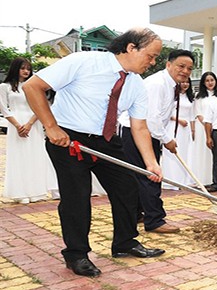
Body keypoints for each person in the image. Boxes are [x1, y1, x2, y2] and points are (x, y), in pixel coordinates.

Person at [23, 28, 166, 277]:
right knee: (77, 196)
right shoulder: (83, 62)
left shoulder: (136, 84)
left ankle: (125, 242)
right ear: (131, 48)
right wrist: (52, 126)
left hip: (107, 140)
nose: (152, 62)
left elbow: (139, 126)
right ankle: (76, 254)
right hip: (69, 140)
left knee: (128, 188)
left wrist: (151, 163)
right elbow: (32, 86)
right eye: (151, 56)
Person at [119, 49, 195, 234]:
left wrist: (163, 138)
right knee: (151, 175)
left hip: (146, 132)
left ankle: (138, 214)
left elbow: (159, 117)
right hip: (136, 131)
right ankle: (155, 220)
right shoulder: (157, 84)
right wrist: (167, 139)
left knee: (139, 175)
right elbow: (151, 119)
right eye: (181, 66)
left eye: (189, 68)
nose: (185, 71)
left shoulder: (170, 85)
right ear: (168, 64)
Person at [0, 57, 52, 203]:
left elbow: (41, 106)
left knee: (36, 156)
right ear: (15, 69)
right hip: (16, 123)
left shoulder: (33, 86)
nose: (26, 71)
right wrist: (18, 126)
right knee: (19, 157)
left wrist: (29, 124)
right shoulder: (5, 87)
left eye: (28, 69)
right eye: (23, 68)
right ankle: (20, 192)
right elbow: (4, 109)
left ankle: (37, 191)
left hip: (33, 124)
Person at [162, 77, 195, 190]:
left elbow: (192, 115)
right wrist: (178, 120)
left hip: (186, 130)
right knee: (172, 153)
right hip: (173, 126)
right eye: (183, 82)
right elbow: (166, 113)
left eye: (187, 82)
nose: (185, 84)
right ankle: (171, 179)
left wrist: (193, 129)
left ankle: (183, 180)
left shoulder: (190, 98)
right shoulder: (173, 96)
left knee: (185, 153)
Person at [191, 72, 217, 186]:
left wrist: (213, 126)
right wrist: (207, 124)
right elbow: (198, 113)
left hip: (216, 128)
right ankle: (200, 179)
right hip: (202, 128)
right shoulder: (198, 96)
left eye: (212, 80)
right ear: (203, 83)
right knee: (201, 153)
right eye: (207, 81)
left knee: (214, 155)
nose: (210, 83)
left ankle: (213, 180)